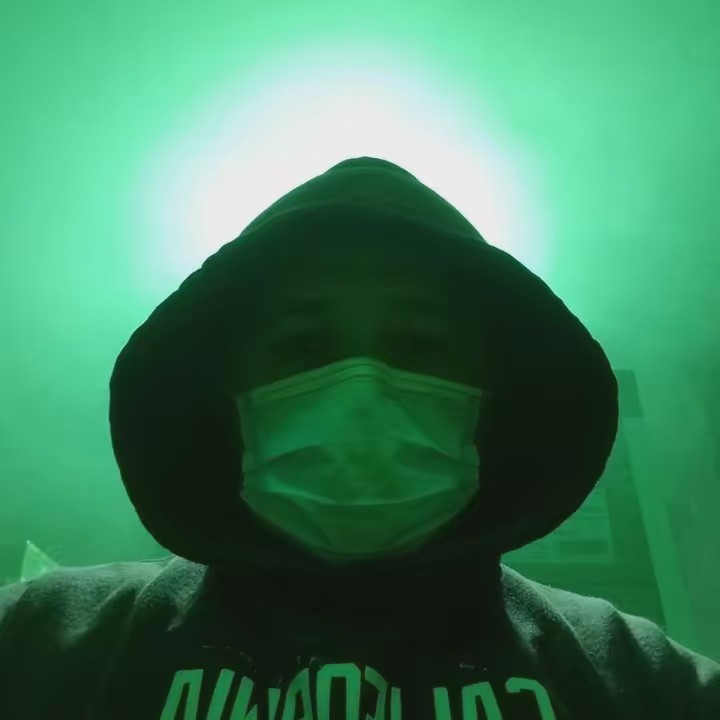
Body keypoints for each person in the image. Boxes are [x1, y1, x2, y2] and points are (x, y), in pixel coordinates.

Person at [0, 157, 718, 719]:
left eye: (419, 344)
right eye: (303, 345)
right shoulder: (42, 640)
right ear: (225, 394)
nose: (363, 389)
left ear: (493, 398)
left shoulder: (637, 679)